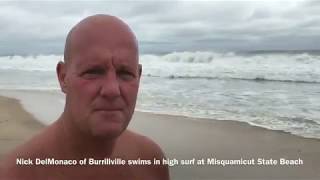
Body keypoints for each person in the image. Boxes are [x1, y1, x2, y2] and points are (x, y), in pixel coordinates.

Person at [0, 14, 170, 180]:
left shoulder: (150, 162)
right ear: (63, 77)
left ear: (139, 77)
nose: (112, 90)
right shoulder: (14, 174)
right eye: (93, 72)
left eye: (125, 73)